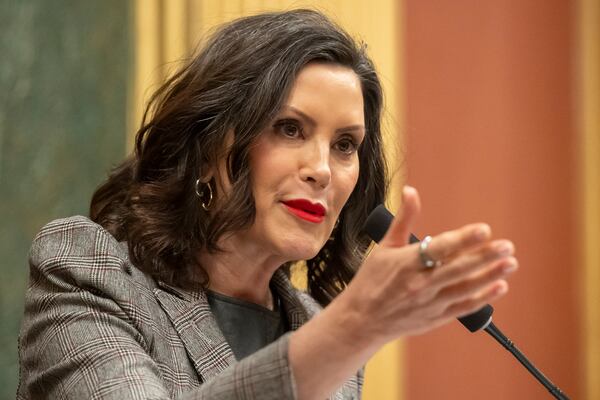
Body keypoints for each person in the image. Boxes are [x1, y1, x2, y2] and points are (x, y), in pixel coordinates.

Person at [17, 9, 518, 400]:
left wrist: (346, 331)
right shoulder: (89, 270)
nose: (322, 168)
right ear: (212, 143)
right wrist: (356, 326)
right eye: (290, 129)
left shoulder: (318, 328)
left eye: (345, 144)